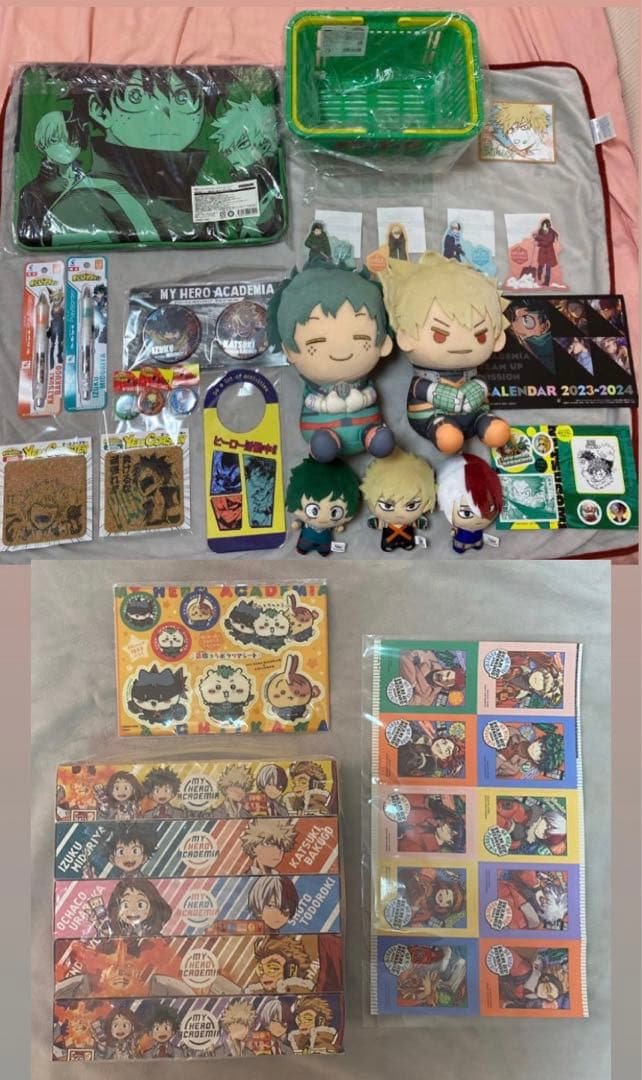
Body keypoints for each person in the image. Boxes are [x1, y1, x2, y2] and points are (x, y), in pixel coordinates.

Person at [379, 253, 510, 455]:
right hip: (432, 415)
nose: (461, 343)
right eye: (440, 335)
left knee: (491, 426)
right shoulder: (422, 379)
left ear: (497, 339)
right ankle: (443, 431)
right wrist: (442, 395)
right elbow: (420, 388)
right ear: (405, 338)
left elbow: (483, 382)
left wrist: (478, 388)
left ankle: (486, 424)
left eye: (480, 335)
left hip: (474, 413)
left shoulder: (475, 371)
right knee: (447, 435)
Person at [268, 264, 395, 461]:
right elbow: (310, 401)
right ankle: (326, 442)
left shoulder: (364, 384)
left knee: (381, 440)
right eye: (317, 341)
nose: (340, 348)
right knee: (323, 443)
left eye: (360, 337)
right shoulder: (314, 389)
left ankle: (373, 436)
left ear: (384, 344)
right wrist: (326, 405)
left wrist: (363, 399)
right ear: (290, 352)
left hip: (367, 423)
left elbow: (371, 393)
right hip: (322, 426)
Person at [360, 449, 436, 552]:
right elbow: (376, 522)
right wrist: (376, 522)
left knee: (407, 543)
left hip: (407, 538)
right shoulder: (384, 520)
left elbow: (419, 523)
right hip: (388, 538)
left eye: (411, 506)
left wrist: (419, 522)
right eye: (387, 506)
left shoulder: (411, 520)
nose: (399, 514)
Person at [286, 457, 361, 557]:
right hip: (306, 540)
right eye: (314, 511)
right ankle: (304, 548)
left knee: (324, 548)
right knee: (304, 545)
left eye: (335, 512)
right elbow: (299, 522)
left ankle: (323, 550)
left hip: (324, 542)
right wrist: (298, 523)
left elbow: (338, 526)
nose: (323, 519)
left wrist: (338, 526)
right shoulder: (306, 519)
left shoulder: (331, 524)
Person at [532, 218, 559, 287]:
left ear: (548, 225)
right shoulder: (541, 231)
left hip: (549, 252)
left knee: (548, 268)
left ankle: (546, 282)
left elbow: (547, 242)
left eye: (545, 226)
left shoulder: (551, 233)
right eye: (543, 225)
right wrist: (535, 237)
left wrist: (538, 242)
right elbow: (539, 238)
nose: (544, 227)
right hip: (542, 251)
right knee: (540, 264)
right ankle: (539, 274)